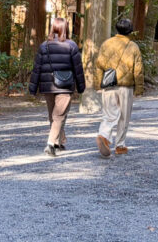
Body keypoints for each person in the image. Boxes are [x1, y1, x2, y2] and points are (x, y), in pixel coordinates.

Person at [29, 17, 86, 157]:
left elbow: (37, 68)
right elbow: (78, 69)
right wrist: (81, 86)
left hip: (47, 85)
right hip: (65, 85)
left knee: (54, 115)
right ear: (65, 28)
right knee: (59, 115)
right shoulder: (71, 45)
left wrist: (33, 87)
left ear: (52, 28)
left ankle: (59, 141)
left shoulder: (44, 46)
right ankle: (50, 144)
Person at [94, 18, 144, 158]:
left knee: (109, 114)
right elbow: (138, 70)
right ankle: (120, 145)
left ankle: (104, 135)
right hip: (126, 87)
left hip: (109, 84)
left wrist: (98, 84)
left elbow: (99, 65)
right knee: (124, 116)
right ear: (130, 30)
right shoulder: (133, 46)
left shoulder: (106, 44)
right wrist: (139, 88)